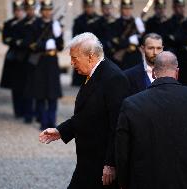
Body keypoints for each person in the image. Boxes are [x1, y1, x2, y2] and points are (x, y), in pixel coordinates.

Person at [39, 32, 129, 189]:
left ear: (91, 56)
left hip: (102, 164)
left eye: (75, 58)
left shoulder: (114, 78)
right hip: (88, 160)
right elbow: (88, 115)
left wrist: (111, 163)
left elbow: (119, 125)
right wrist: (61, 131)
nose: (72, 63)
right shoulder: (94, 73)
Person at [116, 51, 187, 189]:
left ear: (154, 73)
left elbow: (122, 151)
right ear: (177, 72)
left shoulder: (131, 104)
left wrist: (123, 182)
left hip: (146, 181)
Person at [31, 0, 64, 130]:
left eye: (49, 10)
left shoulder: (55, 25)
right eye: (45, 10)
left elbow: (60, 46)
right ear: (41, 11)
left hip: (52, 62)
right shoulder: (35, 24)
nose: (47, 12)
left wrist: (58, 35)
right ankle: (43, 122)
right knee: (41, 93)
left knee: (53, 93)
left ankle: (52, 120)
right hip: (40, 61)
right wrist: (45, 45)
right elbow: (32, 45)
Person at [0, 0, 27, 119]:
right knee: (15, 87)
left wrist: (19, 42)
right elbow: (5, 39)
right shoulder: (9, 23)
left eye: (20, 10)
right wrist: (16, 41)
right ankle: (18, 111)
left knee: (26, 86)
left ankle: (26, 110)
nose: (18, 13)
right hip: (14, 58)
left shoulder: (28, 23)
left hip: (25, 57)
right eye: (16, 10)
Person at [71, 0, 100, 86]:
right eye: (87, 7)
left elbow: (103, 36)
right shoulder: (79, 20)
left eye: (91, 7)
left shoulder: (99, 20)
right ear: (84, 7)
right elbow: (75, 38)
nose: (89, 9)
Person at [109, 0, 145, 70]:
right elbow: (116, 41)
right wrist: (129, 40)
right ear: (121, 9)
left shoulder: (137, 22)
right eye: (125, 8)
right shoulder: (115, 23)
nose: (127, 11)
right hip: (121, 60)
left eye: (129, 8)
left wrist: (141, 33)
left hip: (134, 57)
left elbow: (142, 41)